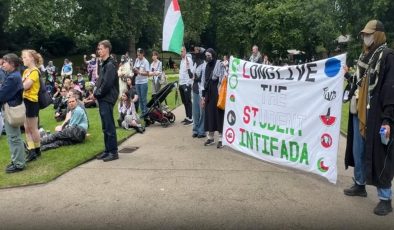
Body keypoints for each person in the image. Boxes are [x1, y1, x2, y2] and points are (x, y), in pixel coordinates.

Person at [344, 19, 394, 216]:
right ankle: (359, 184)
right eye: (364, 34)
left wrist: (388, 120)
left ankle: (385, 198)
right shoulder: (365, 56)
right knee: (359, 151)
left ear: (378, 34)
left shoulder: (387, 56)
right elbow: (359, 83)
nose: (366, 37)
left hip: (377, 115)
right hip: (359, 111)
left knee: (381, 155)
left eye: (369, 34)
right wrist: (347, 76)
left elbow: (390, 90)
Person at [0, 53, 26, 173]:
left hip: (12, 109)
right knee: (13, 137)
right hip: (11, 108)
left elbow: (2, 95)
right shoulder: (13, 75)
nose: (2, 64)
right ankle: (17, 160)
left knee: (14, 137)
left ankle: (19, 163)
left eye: (5, 62)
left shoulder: (12, 77)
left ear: (12, 64)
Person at [94, 40, 119, 162]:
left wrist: (98, 93)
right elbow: (100, 81)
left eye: (101, 48)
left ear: (107, 49)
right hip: (103, 97)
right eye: (98, 49)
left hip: (107, 98)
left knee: (109, 125)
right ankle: (107, 150)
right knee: (105, 126)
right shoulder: (104, 64)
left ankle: (113, 152)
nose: (99, 51)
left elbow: (107, 84)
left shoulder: (110, 65)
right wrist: (95, 92)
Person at [201, 48, 226, 148]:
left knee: (218, 115)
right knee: (209, 115)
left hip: (218, 92)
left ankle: (221, 138)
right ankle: (210, 137)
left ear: (213, 55)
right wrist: (203, 96)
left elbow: (223, 77)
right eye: (206, 56)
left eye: (209, 56)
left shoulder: (219, 64)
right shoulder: (206, 66)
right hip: (208, 94)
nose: (207, 58)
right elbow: (204, 81)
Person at [21, 49, 43, 162]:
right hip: (25, 101)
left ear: (32, 58)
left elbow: (26, 85)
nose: (23, 59)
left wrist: (17, 85)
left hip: (31, 101)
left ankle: (37, 149)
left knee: (33, 128)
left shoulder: (35, 71)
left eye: (25, 57)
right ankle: (32, 150)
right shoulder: (26, 72)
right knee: (27, 128)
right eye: (23, 57)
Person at [192, 46, 206, 138]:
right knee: (195, 112)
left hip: (201, 91)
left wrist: (197, 78)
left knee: (202, 112)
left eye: (196, 54)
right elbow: (193, 76)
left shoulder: (203, 65)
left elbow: (202, 79)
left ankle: (201, 131)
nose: (194, 56)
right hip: (194, 90)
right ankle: (195, 130)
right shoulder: (195, 64)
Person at [179, 46, 194, 125]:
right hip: (181, 83)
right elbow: (181, 72)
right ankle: (187, 116)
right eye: (180, 52)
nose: (181, 53)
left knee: (188, 101)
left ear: (185, 51)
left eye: (182, 51)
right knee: (184, 101)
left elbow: (191, 73)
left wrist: (189, 83)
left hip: (186, 84)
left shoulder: (189, 60)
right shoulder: (182, 60)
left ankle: (191, 118)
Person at [133, 48, 150, 115]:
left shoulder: (146, 62)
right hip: (137, 82)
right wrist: (134, 70)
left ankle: (146, 112)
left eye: (139, 55)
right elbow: (134, 68)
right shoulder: (137, 60)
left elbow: (148, 73)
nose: (138, 56)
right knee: (139, 99)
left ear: (142, 54)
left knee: (143, 99)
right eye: (137, 55)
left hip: (143, 82)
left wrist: (140, 72)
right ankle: (143, 112)